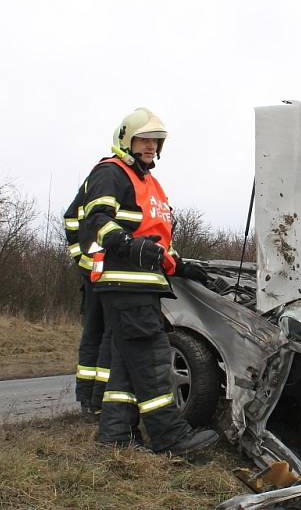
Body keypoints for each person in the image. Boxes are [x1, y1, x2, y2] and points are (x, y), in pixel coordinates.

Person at [79, 107, 217, 454]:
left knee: (126, 364)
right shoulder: (111, 172)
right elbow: (96, 218)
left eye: (156, 142)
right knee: (154, 361)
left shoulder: (150, 184)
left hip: (141, 284)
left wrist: (182, 266)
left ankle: (116, 435)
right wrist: (125, 244)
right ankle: (171, 436)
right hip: (125, 283)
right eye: (144, 140)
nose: (150, 147)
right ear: (126, 139)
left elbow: (155, 242)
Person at [64, 188, 112, 417]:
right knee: (97, 334)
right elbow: (71, 220)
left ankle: (97, 398)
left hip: (114, 275)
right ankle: (89, 399)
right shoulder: (97, 182)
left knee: (106, 335)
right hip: (95, 275)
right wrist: (83, 261)